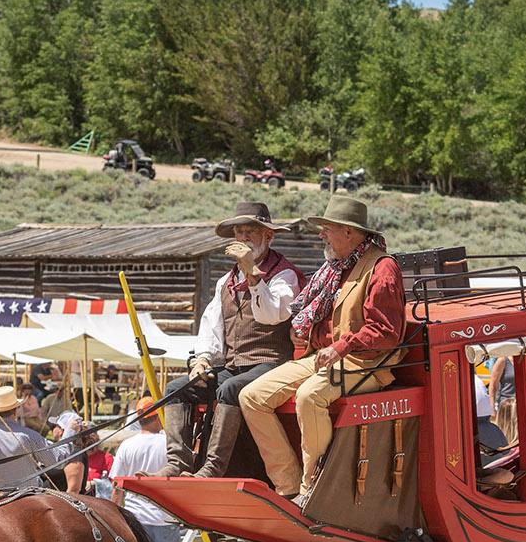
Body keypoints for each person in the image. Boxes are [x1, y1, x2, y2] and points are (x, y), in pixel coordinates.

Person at [240, 196, 404, 502]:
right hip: (325, 356)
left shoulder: (381, 268)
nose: (321, 235)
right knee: (251, 396)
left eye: (326, 228)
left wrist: (342, 347)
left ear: (349, 232)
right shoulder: (335, 267)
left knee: (309, 396)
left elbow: (386, 332)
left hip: (367, 363)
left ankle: (312, 486)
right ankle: (286, 483)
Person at [163, 201, 304, 477]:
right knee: (177, 388)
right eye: (239, 233)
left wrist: (252, 273)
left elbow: (271, 314)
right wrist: (202, 358)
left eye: (251, 232)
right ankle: (177, 462)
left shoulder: (284, 275)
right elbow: (212, 325)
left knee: (231, 389)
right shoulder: (224, 282)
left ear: (268, 236)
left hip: (273, 364)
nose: (244, 238)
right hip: (233, 365)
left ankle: (213, 468)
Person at [111, 397, 183, 542]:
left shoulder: (126, 446)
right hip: (165, 517)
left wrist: (115, 520)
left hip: (137, 520)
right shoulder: (169, 444)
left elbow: (117, 487)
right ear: (158, 416)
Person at [0, 386, 49, 488]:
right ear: (15, 411)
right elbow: (55, 460)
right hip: (26, 496)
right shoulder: (28, 436)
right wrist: (69, 434)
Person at [50, 410, 88, 494]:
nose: (53, 428)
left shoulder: (75, 454)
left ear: (62, 430)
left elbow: (73, 491)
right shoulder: (60, 450)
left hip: (58, 505)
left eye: (55, 426)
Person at [489, 355, 516, 443]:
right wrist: (492, 408)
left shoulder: (524, 358)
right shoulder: (503, 360)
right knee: (507, 434)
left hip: (521, 403)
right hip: (506, 405)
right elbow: (493, 385)